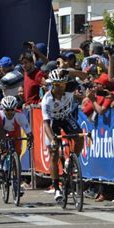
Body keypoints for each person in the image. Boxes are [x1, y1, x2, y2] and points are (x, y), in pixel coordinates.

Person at [41, 69, 84, 202]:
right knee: (54, 153)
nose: (60, 87)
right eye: (57, 85)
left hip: (66, 118)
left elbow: (84, 76)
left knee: (80, 137)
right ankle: (56, 188)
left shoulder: (70, 87)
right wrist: (53, 139)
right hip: (53, 122)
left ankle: (70, 161)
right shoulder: (47, 100)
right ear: (52, 84)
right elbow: (46, 124)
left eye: (62, 84)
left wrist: (68, 70)